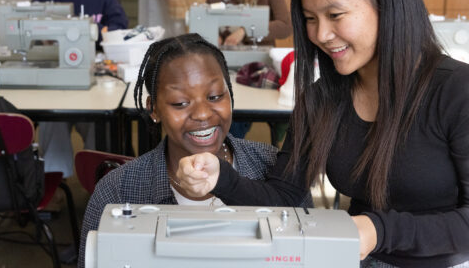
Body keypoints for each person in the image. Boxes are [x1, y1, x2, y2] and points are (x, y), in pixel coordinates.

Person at [177, 0, 469, 267]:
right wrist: (219, 177)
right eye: (310, 19)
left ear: (388, 2)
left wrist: (379, 231)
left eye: (335, 15)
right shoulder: (322, 98)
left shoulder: (456, 92)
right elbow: (284, 196)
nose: (321, 34)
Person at [77, 33, 310, 268]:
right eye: (180, 103)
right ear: (154, 110)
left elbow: (307, 255)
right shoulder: (117, 192)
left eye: (215, 96)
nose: (202, 114)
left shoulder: (278, 172)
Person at [33, 0, 128, 178]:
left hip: (94, 77)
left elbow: (118, 28)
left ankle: (99, 183)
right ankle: (55, 182)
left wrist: (107, 35)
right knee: (51, 122)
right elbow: (32, 32)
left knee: (99, 123)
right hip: (57, 77)